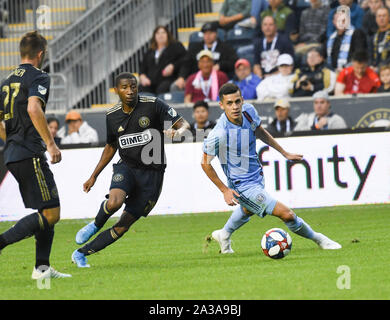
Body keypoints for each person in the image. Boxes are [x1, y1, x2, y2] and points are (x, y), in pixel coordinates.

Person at [201, 83, 341, 254]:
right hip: (242, 185)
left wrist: (284, 153)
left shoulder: (248, 111)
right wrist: (224, 190)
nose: (235, 107)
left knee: (247, 209)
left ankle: (224, 234)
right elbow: (205, 163)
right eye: (229, 103)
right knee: (286, 214)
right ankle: (320, 239)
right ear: (221, 105)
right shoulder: (219, 133)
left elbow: (259, 131)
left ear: (242, 100)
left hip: (256, 175)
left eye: (237, 101)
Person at [71, 72, 190, 268]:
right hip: (127, 167)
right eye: (125, 87)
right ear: (116, 90)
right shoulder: (112, 116)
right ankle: (95, 224)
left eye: (133, 86)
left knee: (122, 226)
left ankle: (81, 253)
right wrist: (93, 176)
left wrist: (178, 132)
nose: (130, 91)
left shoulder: (153, 104)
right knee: (114, 201)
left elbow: (184, 123)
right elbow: (111, 146)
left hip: (153, 175)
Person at [0, 31, 71, 279]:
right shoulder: (39, 76)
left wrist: (10, 141)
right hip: (29, 152)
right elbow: (33, 107)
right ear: (41, 54)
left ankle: (42, 269)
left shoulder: (6, 81)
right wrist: (51, 145)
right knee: (52, 214)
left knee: (45, 209)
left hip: (13, 153)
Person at [173, 22, 237, 91]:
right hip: (197, 80)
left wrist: (220, 65)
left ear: (216, 33)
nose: (208, 36)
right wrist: (182, 77)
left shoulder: (226, 47)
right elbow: (186, 64)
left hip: (218, 80)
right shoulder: (195, 48)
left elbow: (234, 61)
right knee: (175, 86)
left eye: (210, 33)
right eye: (205, 33)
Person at [138, 26, 186, 95]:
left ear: (168, 35)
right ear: (154, 36)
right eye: (158, 33)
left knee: (162, 89)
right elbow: (142, 68)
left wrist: (173, 66)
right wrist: (142, 77)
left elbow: (184, 60)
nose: (160, 35)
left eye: (163, 33)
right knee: (141, 89)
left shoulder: (176, 46)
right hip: (150, 82)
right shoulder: (150, 51)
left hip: (168, 79)